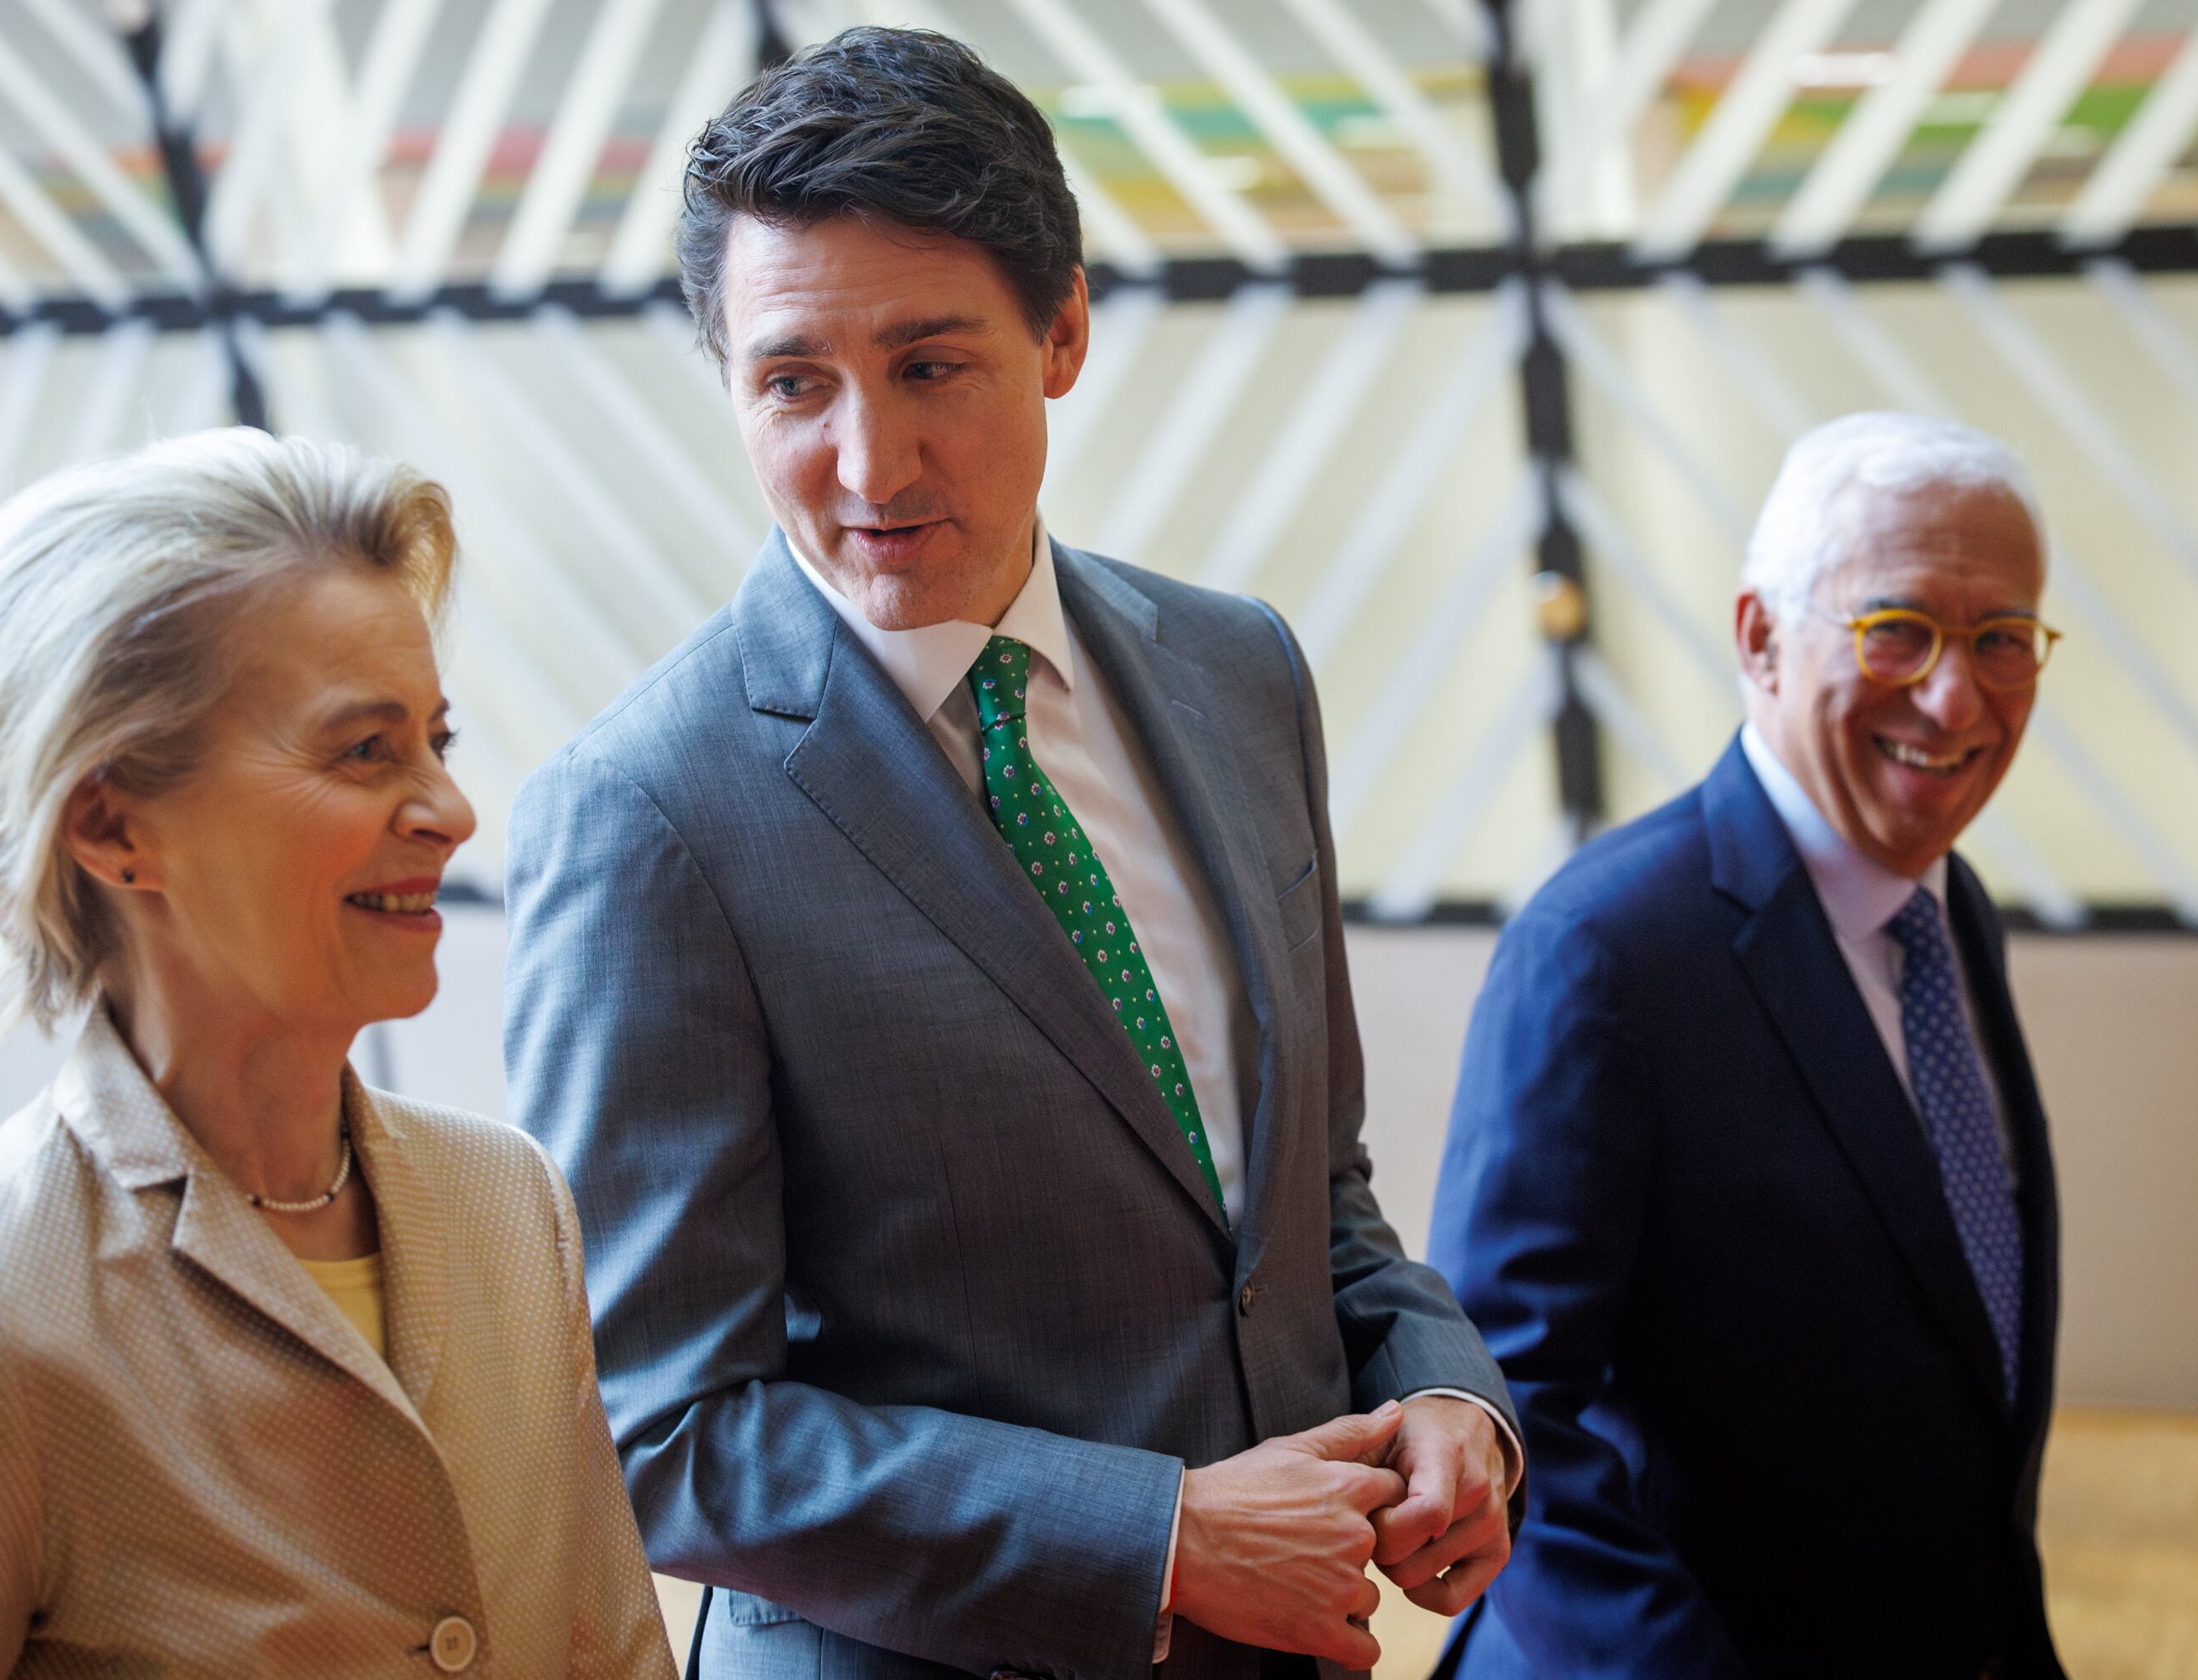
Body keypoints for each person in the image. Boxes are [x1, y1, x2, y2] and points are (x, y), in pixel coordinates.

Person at [502, 26, 1521, 1680]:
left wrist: (1443, 1391)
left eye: (929, 367)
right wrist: (1160, 1536)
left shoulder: (1240, 672)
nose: (868, 465)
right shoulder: (645, 814)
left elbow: (1307, 1197)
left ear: (1063, 334)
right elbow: (662, 1433)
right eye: (792, 383)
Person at [0, 429, 676, 1678]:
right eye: (364, 750)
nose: (452, 812)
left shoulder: (511, 1205)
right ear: (111, 825)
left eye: (439, 742)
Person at [1428, 412, 2068, 1680]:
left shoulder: (1949, 910)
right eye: (1898, 630)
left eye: (2002, 639)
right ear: (1761, 639)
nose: (1956, 695)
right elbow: (1506, 1414)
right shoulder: (1604, 948)